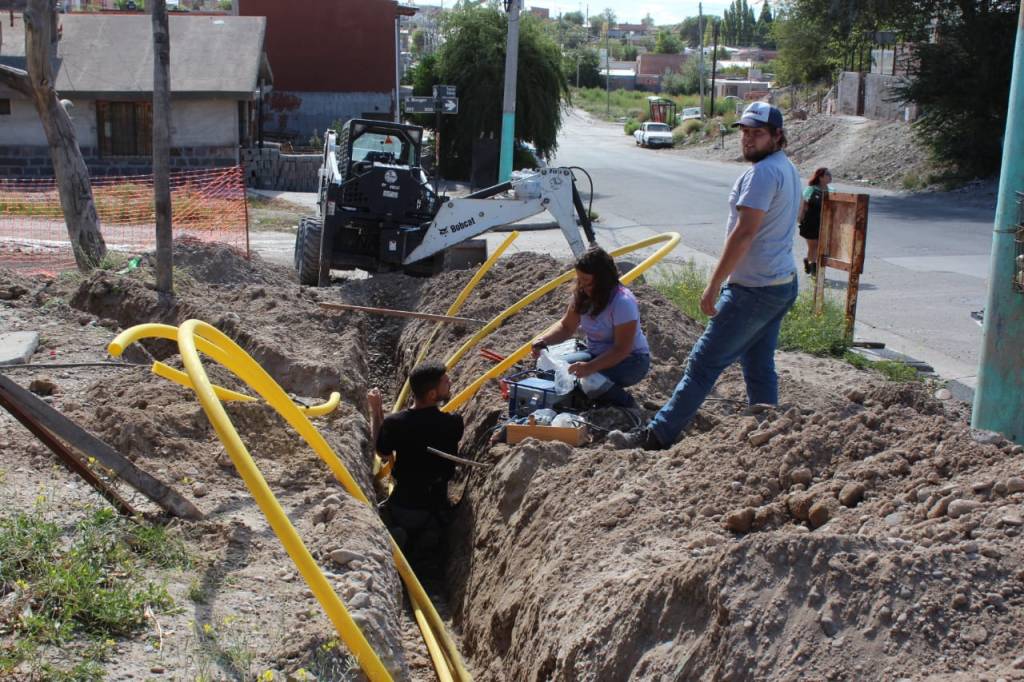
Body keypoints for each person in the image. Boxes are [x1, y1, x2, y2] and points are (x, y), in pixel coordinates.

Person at [609, 102, 800, 451]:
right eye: (744, 132)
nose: (748, 139)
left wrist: (713, 286)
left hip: (754, 290)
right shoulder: (786, 167)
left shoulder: (762, 174)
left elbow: (744, 234)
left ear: (777, 135)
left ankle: (658, 434)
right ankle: (767, 433)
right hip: (779, 283)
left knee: (703, 362)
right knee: (758, 364)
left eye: (757, 133)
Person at [530, 246, 650, 408]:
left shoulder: (622, 302)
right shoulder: (582, 295)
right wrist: (544, 341)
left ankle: (626, 403)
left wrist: (590, 368)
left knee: (588, 381)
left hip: (631, 361)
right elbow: (566, 327)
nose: (582, 286)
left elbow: (622, 349)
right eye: (579, 280)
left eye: (586, 281)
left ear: (602, 280)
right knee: (551, 371)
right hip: (595, 354)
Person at [367, 361, 464, 563]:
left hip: (404, 507)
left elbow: (381, 451)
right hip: (435, 509)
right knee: (431, 537)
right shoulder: (453, 424)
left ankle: (400, 542)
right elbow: (428, 427)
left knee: (392, 521)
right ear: (431, 394)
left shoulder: (396, 423)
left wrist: (376, 411)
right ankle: (426, 546)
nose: (450, 383)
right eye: (446, 382)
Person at [797, 167, 832, 276]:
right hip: (810, 222)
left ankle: (808, 260)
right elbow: (802, 205)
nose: (830, 176)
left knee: (821, 247)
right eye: (828, 174)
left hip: (825, 223)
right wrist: (800, 219)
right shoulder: (811, 189)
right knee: (814, 246)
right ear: (820, 177)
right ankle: (814, 271)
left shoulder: (832, 191)